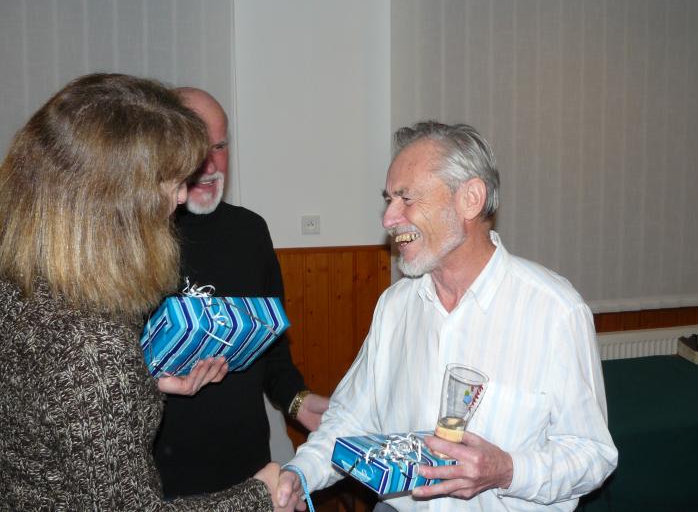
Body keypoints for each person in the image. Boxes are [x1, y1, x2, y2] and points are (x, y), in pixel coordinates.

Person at [276, 121, 618, 511]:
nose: (388, 219)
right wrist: (301, 473)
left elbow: (592, 454)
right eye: (389, 200)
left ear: (470, 199)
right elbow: (350, 418)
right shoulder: (395, 307)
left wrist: (508, 470)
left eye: (406, 198)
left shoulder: (553, 311)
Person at [0, 73, 298, 511]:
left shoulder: (21, 279)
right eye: (170, 180)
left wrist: (147, 383)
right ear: (116, 197)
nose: (180, 197)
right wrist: (259, 497)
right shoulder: (96, 345)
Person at [153, 87, 329, 497]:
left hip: (247, 465)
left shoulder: (250, 232)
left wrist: (298, 401)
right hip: (160, 477)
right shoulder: (134, 242)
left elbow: (273, 349)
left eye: (220, 146)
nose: (211, 164)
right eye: (196, 149)